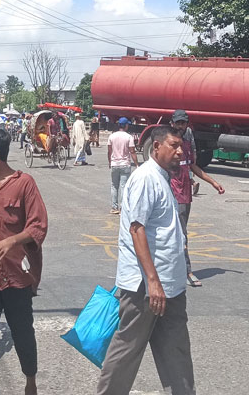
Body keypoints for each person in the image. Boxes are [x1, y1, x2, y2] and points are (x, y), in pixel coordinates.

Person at [97, 126, 194, 395]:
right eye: (173, 146)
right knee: (127, 350)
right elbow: (136, 229)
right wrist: (152, 281)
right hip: (146, 287)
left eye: (181, 147)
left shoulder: (163, 177)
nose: (179, 152)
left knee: (176, 350)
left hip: (170, 285)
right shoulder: (145, 178)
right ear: (156, 148)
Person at [0, 128, 48, 395]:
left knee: (23, 336)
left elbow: (38, 227)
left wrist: (12, 242)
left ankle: (30, 381)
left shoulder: (24, 183)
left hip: (16, 278)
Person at [168, 109, 225, 288]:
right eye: (178, 123)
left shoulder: (187, 143)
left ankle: (183, 271)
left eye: (183, 123)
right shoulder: (165, 144)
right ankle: (178, 270)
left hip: (184, 196)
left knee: (181, 235)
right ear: (172, 123)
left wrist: (212, 182)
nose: (181, 126)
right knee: (172, 235)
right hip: (169, 196)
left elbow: (193, 166)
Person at [107, 117, 137, 215]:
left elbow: (109, 151)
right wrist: (136, 164)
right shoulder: (129, 137)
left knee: (114, 186)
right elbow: (132, 151)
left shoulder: (112, 136)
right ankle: (123, 207)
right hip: (125, 164)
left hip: (114, 164)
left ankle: (114, 207)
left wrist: (109, 162)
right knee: (124, 186)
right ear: (125, 126)